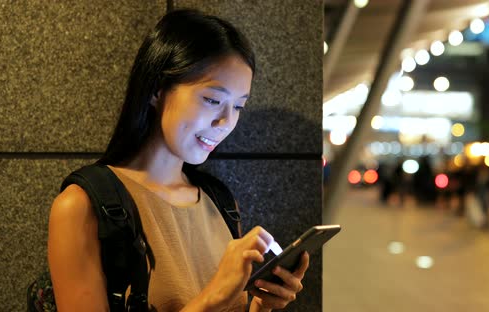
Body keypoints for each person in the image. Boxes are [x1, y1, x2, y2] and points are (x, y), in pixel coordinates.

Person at [47, 9, 309, 312]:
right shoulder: (82, 205)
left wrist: (262, 305)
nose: (225, 121)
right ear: (157, 89)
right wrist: (212, 299)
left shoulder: (220, 202)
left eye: (238, 106)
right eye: (212, 100)